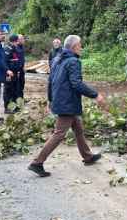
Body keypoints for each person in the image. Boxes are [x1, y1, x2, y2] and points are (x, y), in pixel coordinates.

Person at [29, 35, 105, 177]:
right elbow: (76, 83)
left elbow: (50, 81)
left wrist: (51, 100)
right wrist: (95, 95)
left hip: (61, 100)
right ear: (74, 46)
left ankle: (87, 156)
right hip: (67, 102)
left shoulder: (58, 59)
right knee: (59, 134)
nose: (81, 47)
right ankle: (37, 162)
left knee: (78, 128)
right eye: (80, 45)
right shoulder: (73, 61)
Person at [3, 34, 25, 112]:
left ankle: (14, 107)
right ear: (14, 41)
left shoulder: (14, 48)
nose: (17, 43)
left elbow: (16, 60)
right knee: (8, 90)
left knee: (15, 90)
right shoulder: (7, 49)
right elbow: (4, 62)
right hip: (9, 73)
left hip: (15, 73)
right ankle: (7, 108)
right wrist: (7, 71)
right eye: (17, 41)